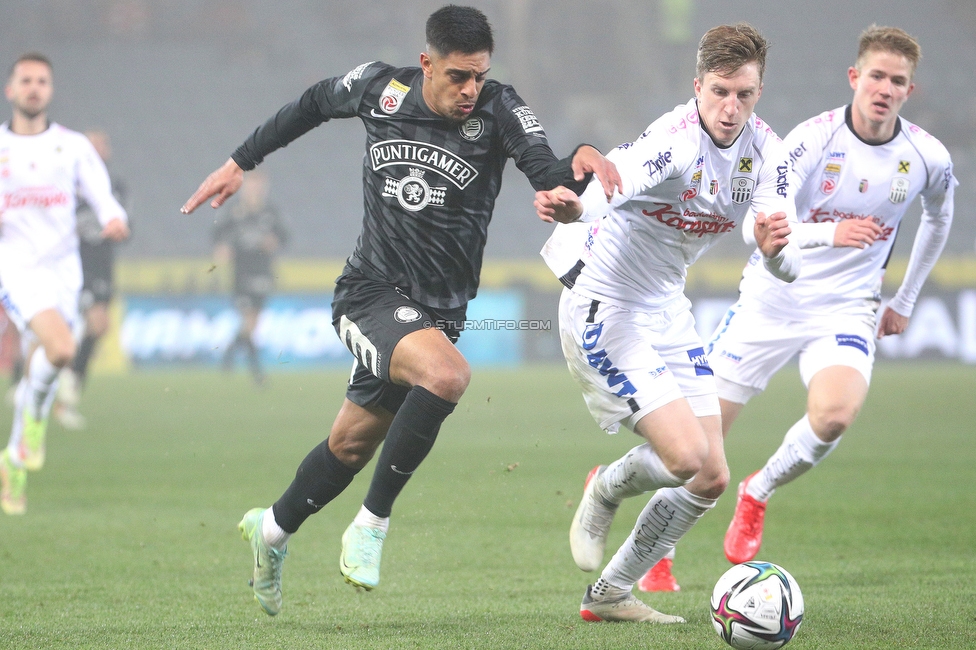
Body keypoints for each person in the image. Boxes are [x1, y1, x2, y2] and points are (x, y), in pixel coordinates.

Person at [181, 5, 620, 617]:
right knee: (448, 376)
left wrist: (574, 181)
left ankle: (271, 531)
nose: (470, 90)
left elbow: (545, 167)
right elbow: (310, 103)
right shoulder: (378, 88)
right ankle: (372, 523)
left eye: (479, 75)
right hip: (369, 293)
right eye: (458, 76)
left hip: (439, 314)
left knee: (349, 447)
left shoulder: (498, 106)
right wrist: (239, 163)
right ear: (426, 64)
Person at [535, 23, 800, 623]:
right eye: (719, 91)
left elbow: (787, 261)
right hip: (605, 303)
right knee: (684, 458)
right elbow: (620, 175)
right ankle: (604, 487)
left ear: (759, 90)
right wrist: (578, 205)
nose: (731, 108)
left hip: (666, 307)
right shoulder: (675, 140)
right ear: (698, 85)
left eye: (745, 94)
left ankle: (608, 596)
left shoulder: (769, 154)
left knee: (710, 477)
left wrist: (775, 249)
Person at [704, 25, 955, 566]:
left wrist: (906, 299)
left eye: (898, 81)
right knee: (699, 450)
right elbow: (758, 226)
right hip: (771, 298)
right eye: (876, 76)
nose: (884, 88)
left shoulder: (926, 155)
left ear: (909, 91)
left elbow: (939, 217)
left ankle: (758, 491)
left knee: (835, 415)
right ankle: (658, 552)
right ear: (854, 77)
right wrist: (829, 233)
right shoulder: (810, 140)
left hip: (847, 306)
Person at [0, 53, 129, 515]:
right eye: (25, 80)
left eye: (41, 81)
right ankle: (32, 421)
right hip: (16, 269)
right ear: (11, 90)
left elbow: (102, 196)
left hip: (64, 272)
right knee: (59, 349)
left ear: (49, 90)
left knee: (51, 356)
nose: (33, 87)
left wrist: (114, 218)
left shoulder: (72, 147)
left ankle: (14, 455)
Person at [54, 129, 130, 429]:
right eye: (91, 145)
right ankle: (62, 397)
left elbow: (128, 226)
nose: (97, 150)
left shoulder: (116, 188)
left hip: (103, 266)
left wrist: (118, 228)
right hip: (74, 266)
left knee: (99, 327)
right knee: (87, 326)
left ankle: (65, 387)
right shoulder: (66, 185)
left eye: (102, 145)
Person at [212, 168, 288, 386]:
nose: (256, 189)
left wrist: (274, 242)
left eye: (260, 185)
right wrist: (222, 247)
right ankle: (257, 373)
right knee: (249, 322)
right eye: (253, 185)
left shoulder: (270, 213)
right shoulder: (234, 212)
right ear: (245, 187)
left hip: (263, 272)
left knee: (252, 324)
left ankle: (229, 353)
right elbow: (217, 234)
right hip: (241, 271)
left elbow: (284, 236)